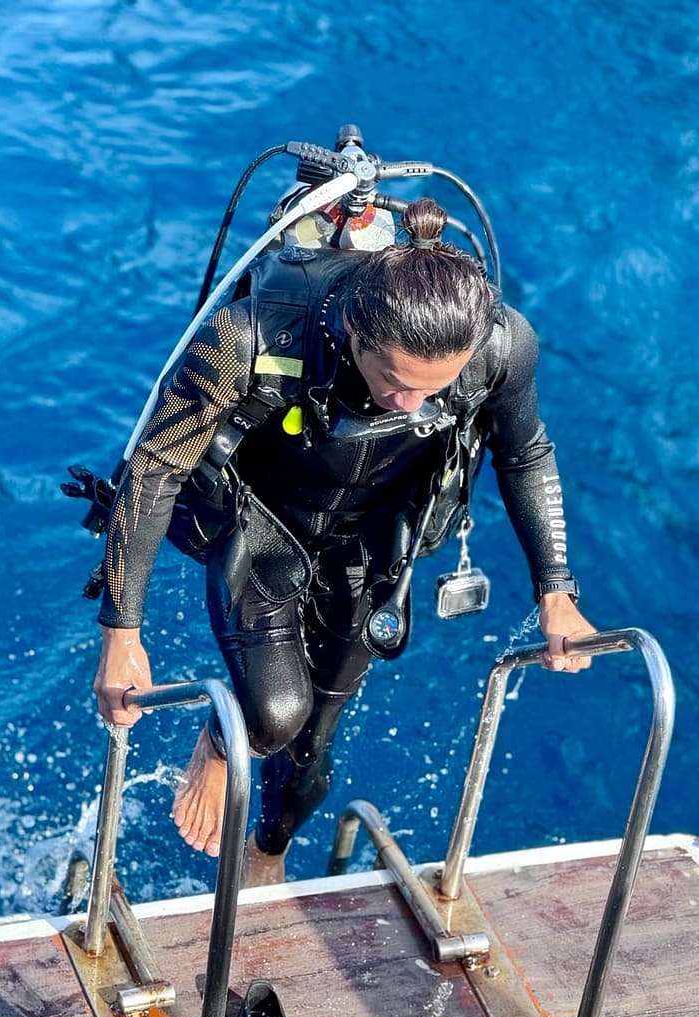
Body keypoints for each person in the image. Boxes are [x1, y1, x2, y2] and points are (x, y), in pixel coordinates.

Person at [92, 197, 595, 884]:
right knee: (274, 715)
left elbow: (526, 453)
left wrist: (556, 591)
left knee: (312, 756)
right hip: (262, 525)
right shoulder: (248, 339)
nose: (412, 405)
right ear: (355, 327)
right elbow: (155, 468)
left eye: (433, 389)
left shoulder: (505, 343)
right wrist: (123, 633)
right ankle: (220, 742)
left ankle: (267, 852)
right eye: (394, 382)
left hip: (374, 539)